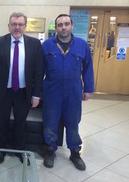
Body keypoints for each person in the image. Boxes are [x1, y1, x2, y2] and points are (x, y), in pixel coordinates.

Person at [0, 12, 43, 164]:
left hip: (24, 92)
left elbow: (39, 72)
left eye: (20, 24)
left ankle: (19, 150)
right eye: (14, 24)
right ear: (9, 26)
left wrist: (36, 94)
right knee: (2, 122)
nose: (17, 27)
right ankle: (1, 150)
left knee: (20, 122)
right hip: (4, 91)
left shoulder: (34, 44)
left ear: (25, 26)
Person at [42, 14, 94, 171]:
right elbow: (39, 70)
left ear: (72, 26)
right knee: (50, 122)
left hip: (73, 91)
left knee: (73, 122)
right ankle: (50, 150)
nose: (63, 27)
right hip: (52, 91)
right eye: (60, 25)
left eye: (66, 24)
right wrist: (36, 91)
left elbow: (88, 68)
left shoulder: (82, 45)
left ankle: (75, 152)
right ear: (56, 28)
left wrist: (89, 88)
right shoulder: (47, 45)